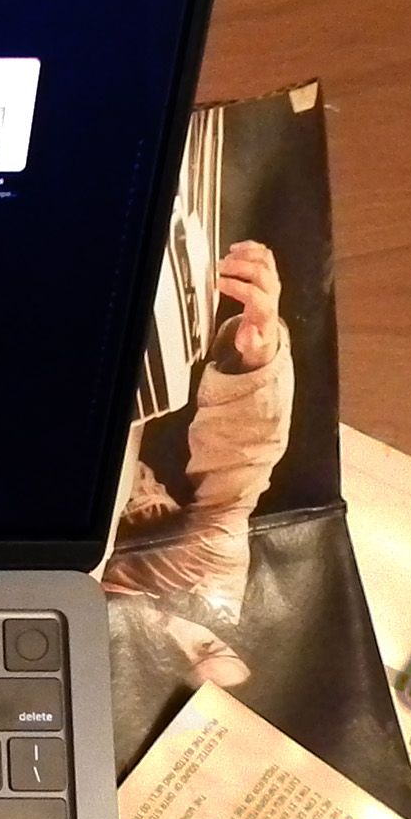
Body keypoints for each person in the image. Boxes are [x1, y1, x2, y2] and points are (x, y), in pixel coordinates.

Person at [103, 238, 293, 689]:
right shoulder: (205, 584)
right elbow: (239, 478)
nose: (176, 634)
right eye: (207, 646)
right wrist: (257, 359)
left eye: (179, 665)